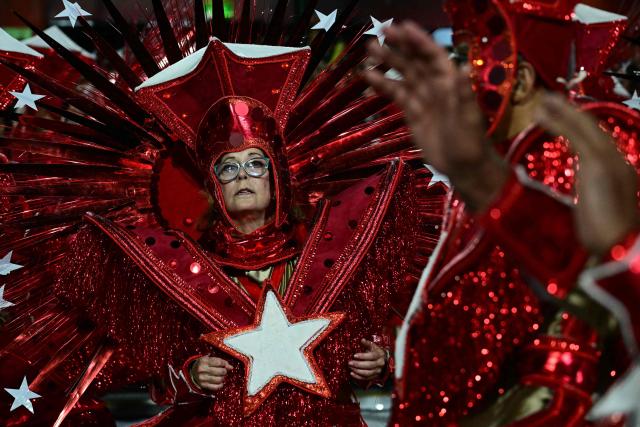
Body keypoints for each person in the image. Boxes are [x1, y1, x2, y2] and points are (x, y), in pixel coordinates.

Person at [0, 1, 444, 425]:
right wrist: (190, 377)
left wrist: (375, 364)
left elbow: (373, 353)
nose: (243, 177)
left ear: (277, 178)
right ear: (214, 188)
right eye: (228, 169)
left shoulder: (334, 254)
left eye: (255, 164)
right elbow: (152, 383)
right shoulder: (181, 270)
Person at [364, 1, 638, 425]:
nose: (453, 78)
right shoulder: (494, 170)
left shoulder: (567, 156)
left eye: (465, 57)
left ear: (521, 79)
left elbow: (570, 362)